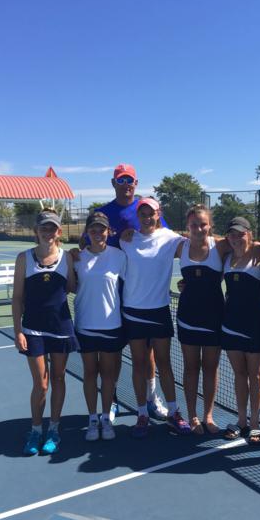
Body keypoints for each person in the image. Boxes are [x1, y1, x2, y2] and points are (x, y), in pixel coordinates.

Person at [83, 164, 168, 421]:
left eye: (130, 179)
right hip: (112, 295)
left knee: (149, 353)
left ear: (136, 182)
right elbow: (87, 242)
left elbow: (167, 237)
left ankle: (153, 398)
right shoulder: (103, 213)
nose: (126, 184)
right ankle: (113, 398)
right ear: (114, 183)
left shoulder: (147, 208)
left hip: (143, 295)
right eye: (121, 180)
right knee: (116, 350)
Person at [120, 197, 191, 437]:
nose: (147, 217)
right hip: (133, 311)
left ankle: (174, 412)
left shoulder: (171, 238)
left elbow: (202, 245)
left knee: (164, 363)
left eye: (151, 213)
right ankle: (142, 414)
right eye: (143, 214)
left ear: (158, 214)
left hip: (159, 310)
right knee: (139, 364)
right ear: (137, 216)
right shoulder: (126, 240)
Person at [12, 209, 77, 455]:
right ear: (36, 231)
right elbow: (18, 298)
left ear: (58, 231)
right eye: (44, 228)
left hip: (61, 328)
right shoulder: (23, 258)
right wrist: (18, 330)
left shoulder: (68, 257)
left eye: (52, 228)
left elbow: (71, 287)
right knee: (41, 383)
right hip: (32, 329)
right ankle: (36, 430)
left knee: (59, 378)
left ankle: (54, 429)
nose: (48, 232)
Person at [73, 212, 126, 441]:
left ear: (108, 232)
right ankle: (92, 418)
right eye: (93, 229)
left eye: (101, 229)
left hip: (112, 325)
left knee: (107, 375)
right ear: (87, 232)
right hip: (85, 324)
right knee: (89, 373)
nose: (97, 233)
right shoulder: (76, 258)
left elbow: (133, 281)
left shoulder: (119, 257)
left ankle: (106, 418)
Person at [176, 205, 224, 434]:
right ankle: (193, 416)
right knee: (191, 368)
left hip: (215, 317)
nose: (199, 228)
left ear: (210, 226)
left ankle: (208, 416)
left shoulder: (221, 245)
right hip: (188, 317)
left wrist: (256, 248)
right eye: (194, 224)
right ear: (188, 226)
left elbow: (249, 244)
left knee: (211, 368)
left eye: (203, 224)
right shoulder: (180, 246)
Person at [221, 217, 260, 444]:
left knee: (256, 375)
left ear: (250, 234)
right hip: (230, 326)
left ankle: (255, 424)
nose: (237, 238)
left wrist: (259, 245)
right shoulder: (226, 259)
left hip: (255, 326)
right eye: (232, 234)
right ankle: (241, 421)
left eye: (241, 233)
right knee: (239, 374)